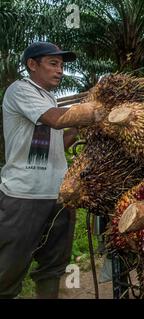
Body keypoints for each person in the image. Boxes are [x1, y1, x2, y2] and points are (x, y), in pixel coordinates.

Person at [0, 42, 97, 299]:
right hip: (24, 196)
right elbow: (56, 120)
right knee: (8, 270)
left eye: (62, 66)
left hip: (58, 196)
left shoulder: (48, 99)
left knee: (52, 268)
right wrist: (97, 109)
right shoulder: (20, 90)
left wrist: (75, 131)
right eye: (53, 64)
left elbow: (54, 146)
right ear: (32, 65)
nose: (60, 71)